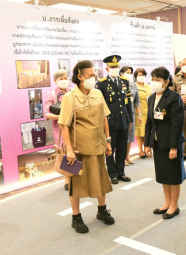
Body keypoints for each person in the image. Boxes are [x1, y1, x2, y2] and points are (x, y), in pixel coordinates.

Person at [58, 60, 114, 234]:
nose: (93, 78)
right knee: (77, 183)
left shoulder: (97, 93)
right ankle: (76, 217)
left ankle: (102, 210)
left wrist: (108, 140)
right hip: (78, 150)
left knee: (101, 179)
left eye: (94, 75)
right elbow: (64, 125)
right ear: (80, 77)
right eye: (90, 75)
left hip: (98, 145)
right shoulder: (69, 97)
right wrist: (68, 149)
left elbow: (104, 118)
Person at [144, 67, 186, 219]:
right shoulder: (151, 98)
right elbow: (149, 122)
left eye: (158, 80)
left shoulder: (174, 97)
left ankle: (174, 205)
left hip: (171, 143)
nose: (154, 82)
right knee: (163, 174)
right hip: (158, 142)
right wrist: (147, 144)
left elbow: (177, 123)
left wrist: (174, 147)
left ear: (166, 82)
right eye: (153, 79)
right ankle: (167, 202)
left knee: (173, 175)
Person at [96, 55, 133, 184]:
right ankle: (113, 174)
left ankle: (121, 172)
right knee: (110, 150)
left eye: (116, 66)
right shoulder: (101, 84)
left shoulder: (124, 81)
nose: (115, 68)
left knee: (122, 149)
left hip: (123, 121)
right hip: (110, 123)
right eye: (112, 67)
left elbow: (127, 102)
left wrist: (130, 119)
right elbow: (100, 106)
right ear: (107, 68)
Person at [44, 69, 71, 191]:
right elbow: (46, 114)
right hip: (59, 129)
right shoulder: (51, 94)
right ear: (55, 81)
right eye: (61, 79)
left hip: (74, 127)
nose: (64, 80)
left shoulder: (72, 92)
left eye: (65, 78)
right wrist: (62, 117)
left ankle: (75, 176)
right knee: (64, 153)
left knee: (75, 151)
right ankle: (67, 178)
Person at [119, 66, 141, 166]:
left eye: (130, 72)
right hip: (121, 115)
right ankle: (121, 157)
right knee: (122, 137)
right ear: (121, 74)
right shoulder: (118, 84)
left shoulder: (133, 85)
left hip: (131, 114)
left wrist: (139, 114)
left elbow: (137, 101)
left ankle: (127, 156)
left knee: (130, 137)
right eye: (127, 72)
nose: (129, 74)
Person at [134, 68, 152, 158]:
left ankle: (147, 149)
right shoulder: (133, 86)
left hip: (148, 112)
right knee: (139, 133)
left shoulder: (148, 86)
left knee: (147, 132)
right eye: (139, 75)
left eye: (143, 75)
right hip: (138, 113)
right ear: (136, 77)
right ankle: (140, 151)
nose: (141, 77)